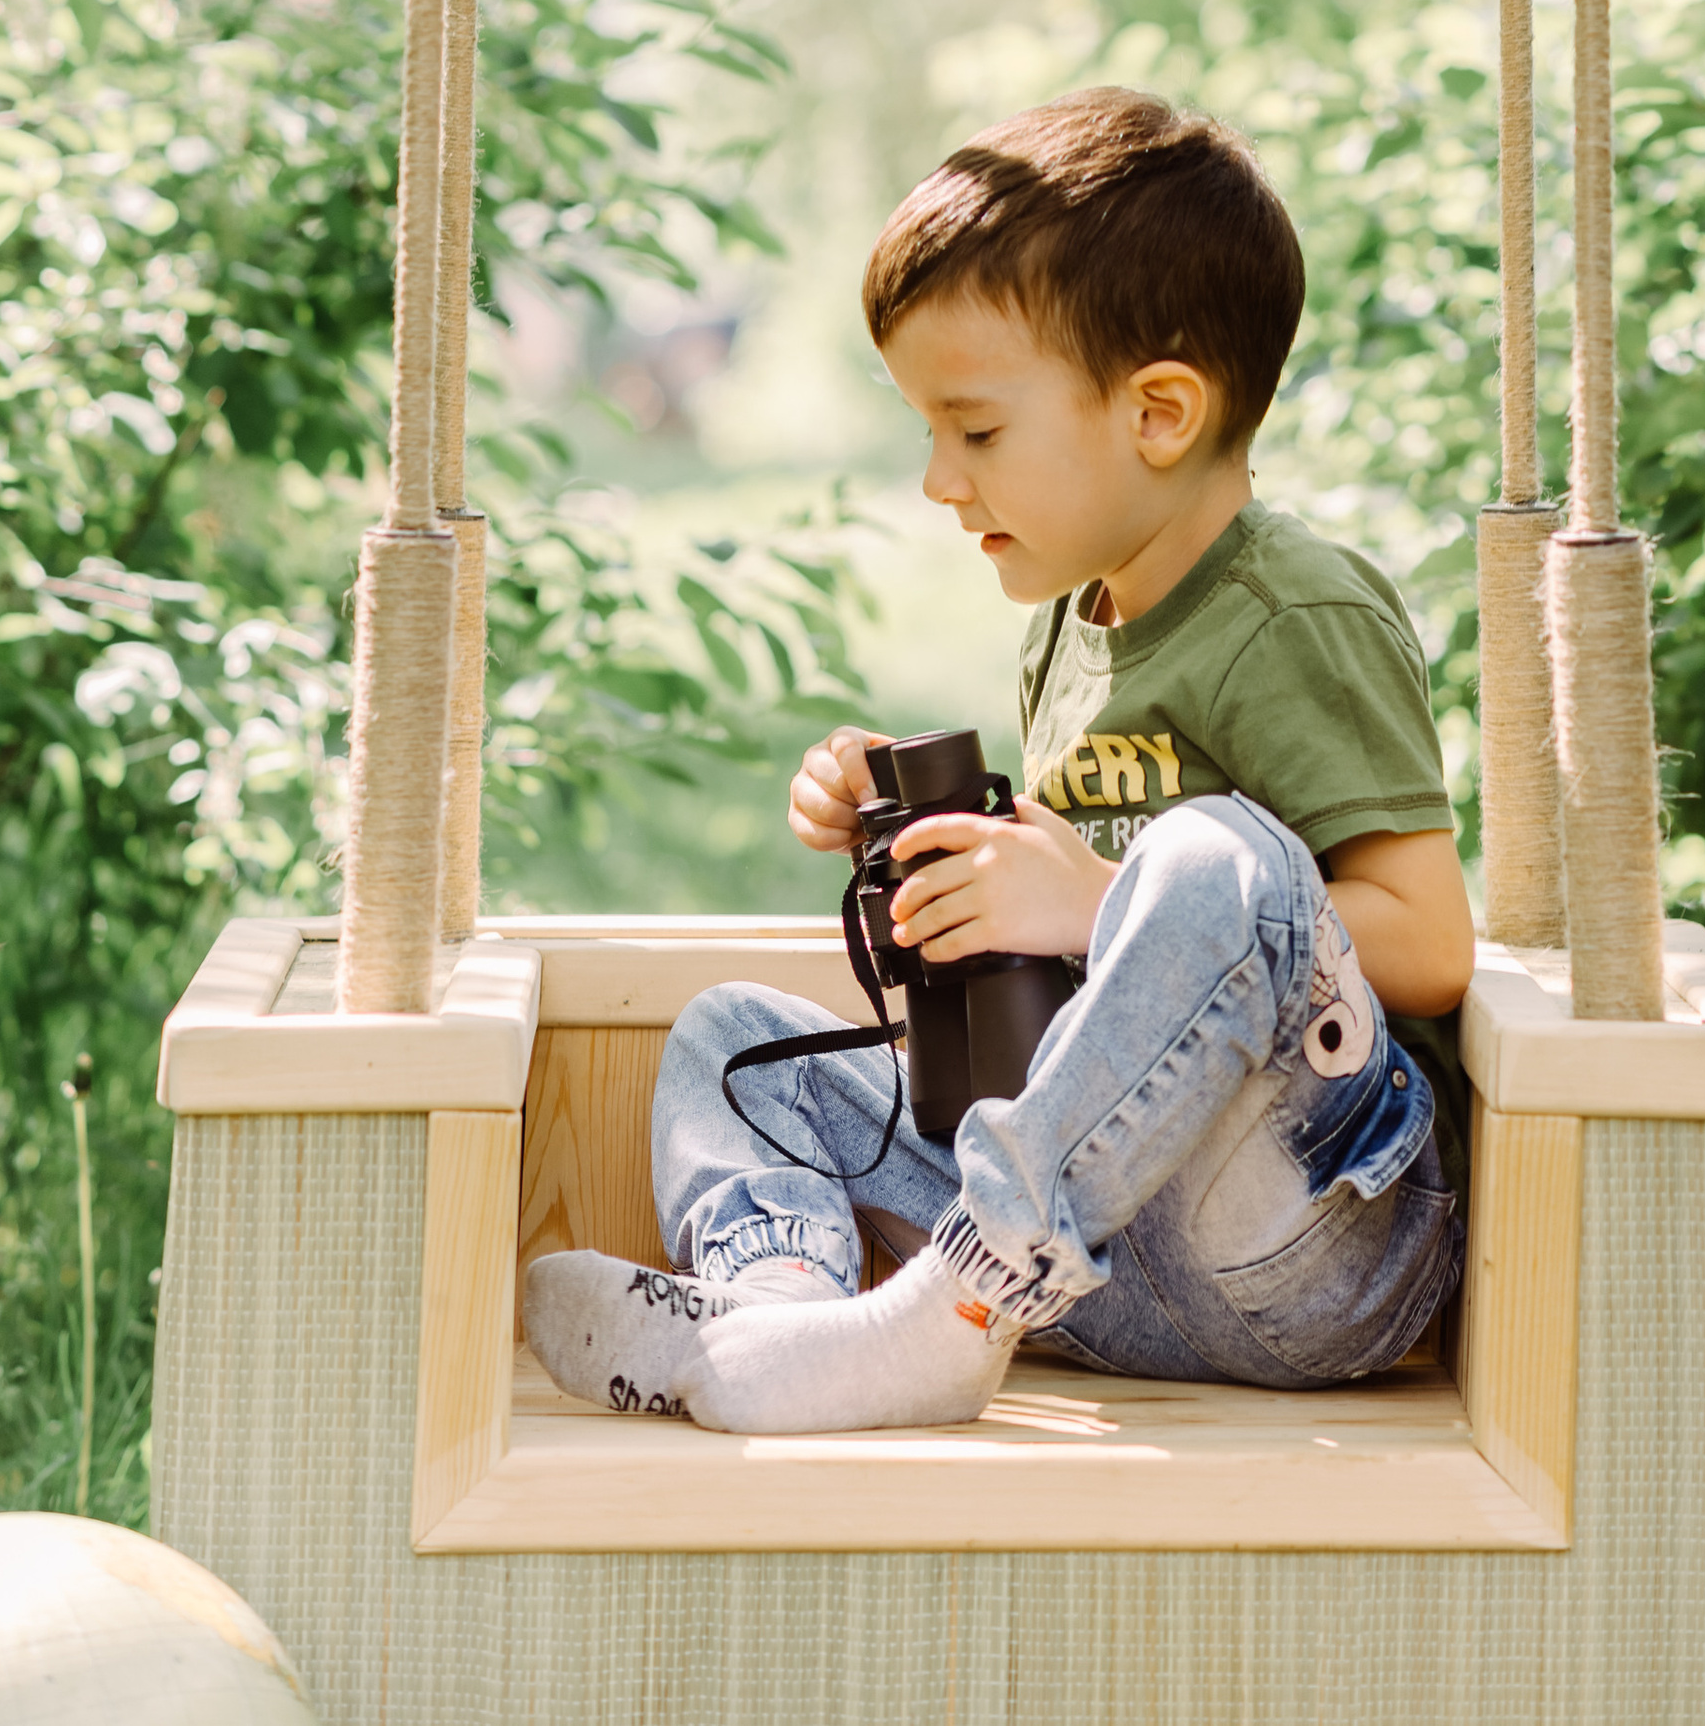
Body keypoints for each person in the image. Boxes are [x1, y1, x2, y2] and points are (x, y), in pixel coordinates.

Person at [525, 85, 1475, 1435]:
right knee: (734, 1037)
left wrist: (1096, 899)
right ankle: (790, 1322)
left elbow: (1430, 939)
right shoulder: (1070, 625)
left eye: (974, 430)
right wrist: (923, 839)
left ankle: (948, 1308)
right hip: (1106, 1259)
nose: (937, 478)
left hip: (1306, 1244)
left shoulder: (1293, 610)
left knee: (1212, 856)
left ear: (1159, 412)